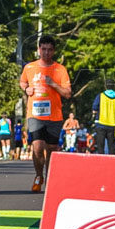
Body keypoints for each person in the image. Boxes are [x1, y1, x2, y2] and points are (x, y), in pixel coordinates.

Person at [19, 34, 72, 192]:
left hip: (54, 115)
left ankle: (49, 179)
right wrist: (26, 88)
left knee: (51, 148)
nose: (46, 53)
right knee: (37, 146)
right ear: (38, 50)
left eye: (49, 50)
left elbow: (68, 93)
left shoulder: (60, 69)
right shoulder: (29, 67)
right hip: (35, 114)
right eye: (43, 49)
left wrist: (53, 84)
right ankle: (38, 175)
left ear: (53, 51)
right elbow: (23, 81)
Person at [91, 89, 115, 156]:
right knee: (111, 146)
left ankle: (101, 160)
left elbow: (94, 107)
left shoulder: (101, 95)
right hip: (112, 124)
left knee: (100, 145)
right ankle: (112, 161)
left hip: (101, 123)